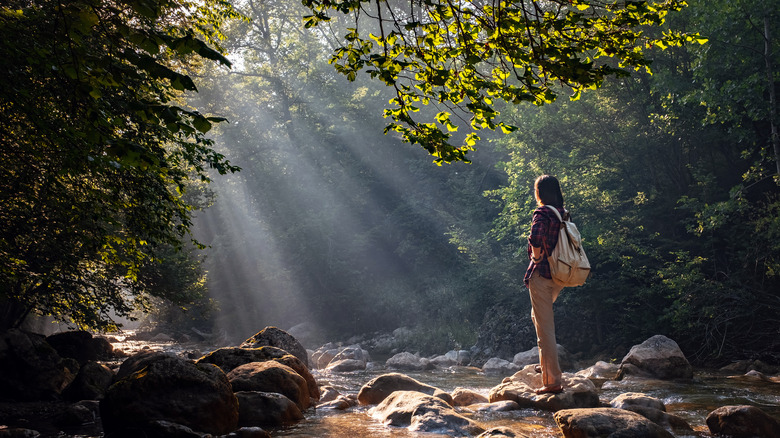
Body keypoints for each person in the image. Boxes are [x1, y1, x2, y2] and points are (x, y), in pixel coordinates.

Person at [524, 174, 566, 394]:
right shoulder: (562, 214)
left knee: (544, 331)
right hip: (558, 275)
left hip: (541, 274)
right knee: (537, 317)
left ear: (539, 192)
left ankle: (552, 382)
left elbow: (536, 236)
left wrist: (537, 257)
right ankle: (547, 364)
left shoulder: (542, 212)